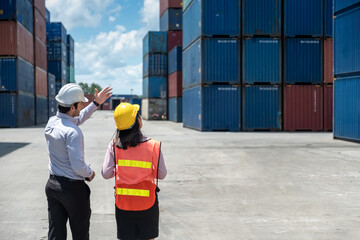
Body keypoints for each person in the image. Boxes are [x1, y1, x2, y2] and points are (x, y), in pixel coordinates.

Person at [45, 83, 112, 240]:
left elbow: (78, 118)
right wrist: (89, 173)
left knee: (56, 234)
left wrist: (96, 103)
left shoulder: (52, 123)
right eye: (81, 104)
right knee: (80, 234)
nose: (83, 106)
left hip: (53, 186)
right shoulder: (73, 132)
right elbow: (77, 165)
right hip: (73, 190)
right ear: (73, 107)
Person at [102, 102, 167, 240]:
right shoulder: (153, 146)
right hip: (147, 203)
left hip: (123, 203)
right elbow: (162, 174)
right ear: (138, 121)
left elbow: (106, 174)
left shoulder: (114, 145)